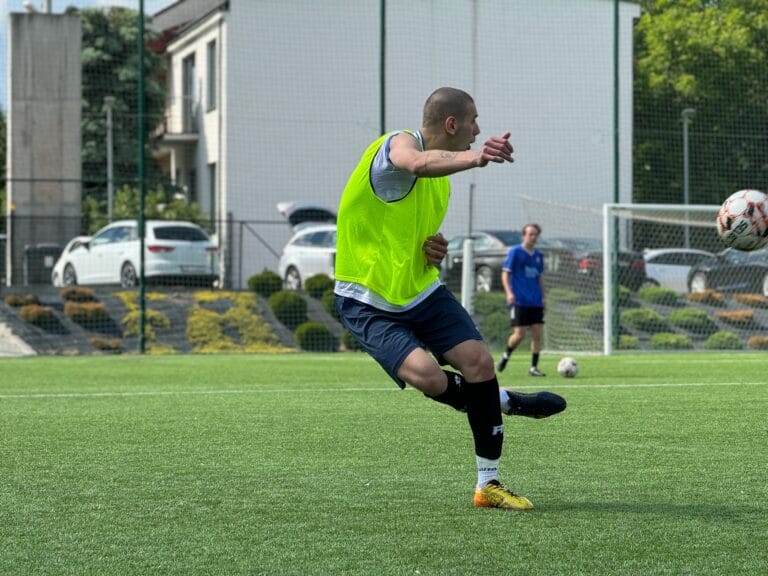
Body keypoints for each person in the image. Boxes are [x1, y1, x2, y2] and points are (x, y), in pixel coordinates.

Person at [334, 87, 565, 511]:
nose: (479, 130)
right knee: (429, 378)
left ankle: (488, 484)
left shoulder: (443, 183)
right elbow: (417, 163)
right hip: (365, 299)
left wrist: (434, 247)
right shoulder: (397, 144)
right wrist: (478, 158)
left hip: (421, 290)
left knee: (478, 362)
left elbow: (407, 226)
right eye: (473, 121)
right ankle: (501, 402)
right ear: (451, 124)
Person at [496, 224, 547, 376]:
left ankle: (533, 368)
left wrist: (544, 298)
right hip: (519, 300)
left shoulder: (539, 255)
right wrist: (509, 293)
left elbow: (540, 278)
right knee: (519, 334)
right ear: (523, 235)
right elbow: (505, 274)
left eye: (535, 234)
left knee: (537, 334)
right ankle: (507, 354)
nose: (533, 237)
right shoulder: (515, 252)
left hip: (536, 301)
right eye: (530, 234)